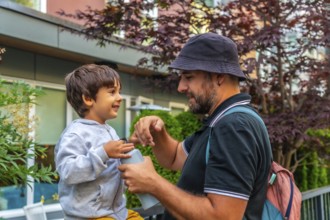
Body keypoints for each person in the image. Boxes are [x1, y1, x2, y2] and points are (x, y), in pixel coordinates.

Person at [118, 33, 272, 220]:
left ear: (219, 77)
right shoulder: (220, 121)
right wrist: (158, 133)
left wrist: (153, 184)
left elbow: (223, 217)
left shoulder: (234, 127)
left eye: (188, 77)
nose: (181, 87)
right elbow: (175, 157)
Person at [55, 64, 143, 220]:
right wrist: (103, 153)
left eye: (119, 92)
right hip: (89, 215)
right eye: (112, 92)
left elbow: (115, 158)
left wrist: (131, 143)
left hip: (117, 212)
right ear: (88, 99)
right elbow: (68, 172)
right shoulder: (75, 133)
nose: (120, 97)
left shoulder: (109, 130)